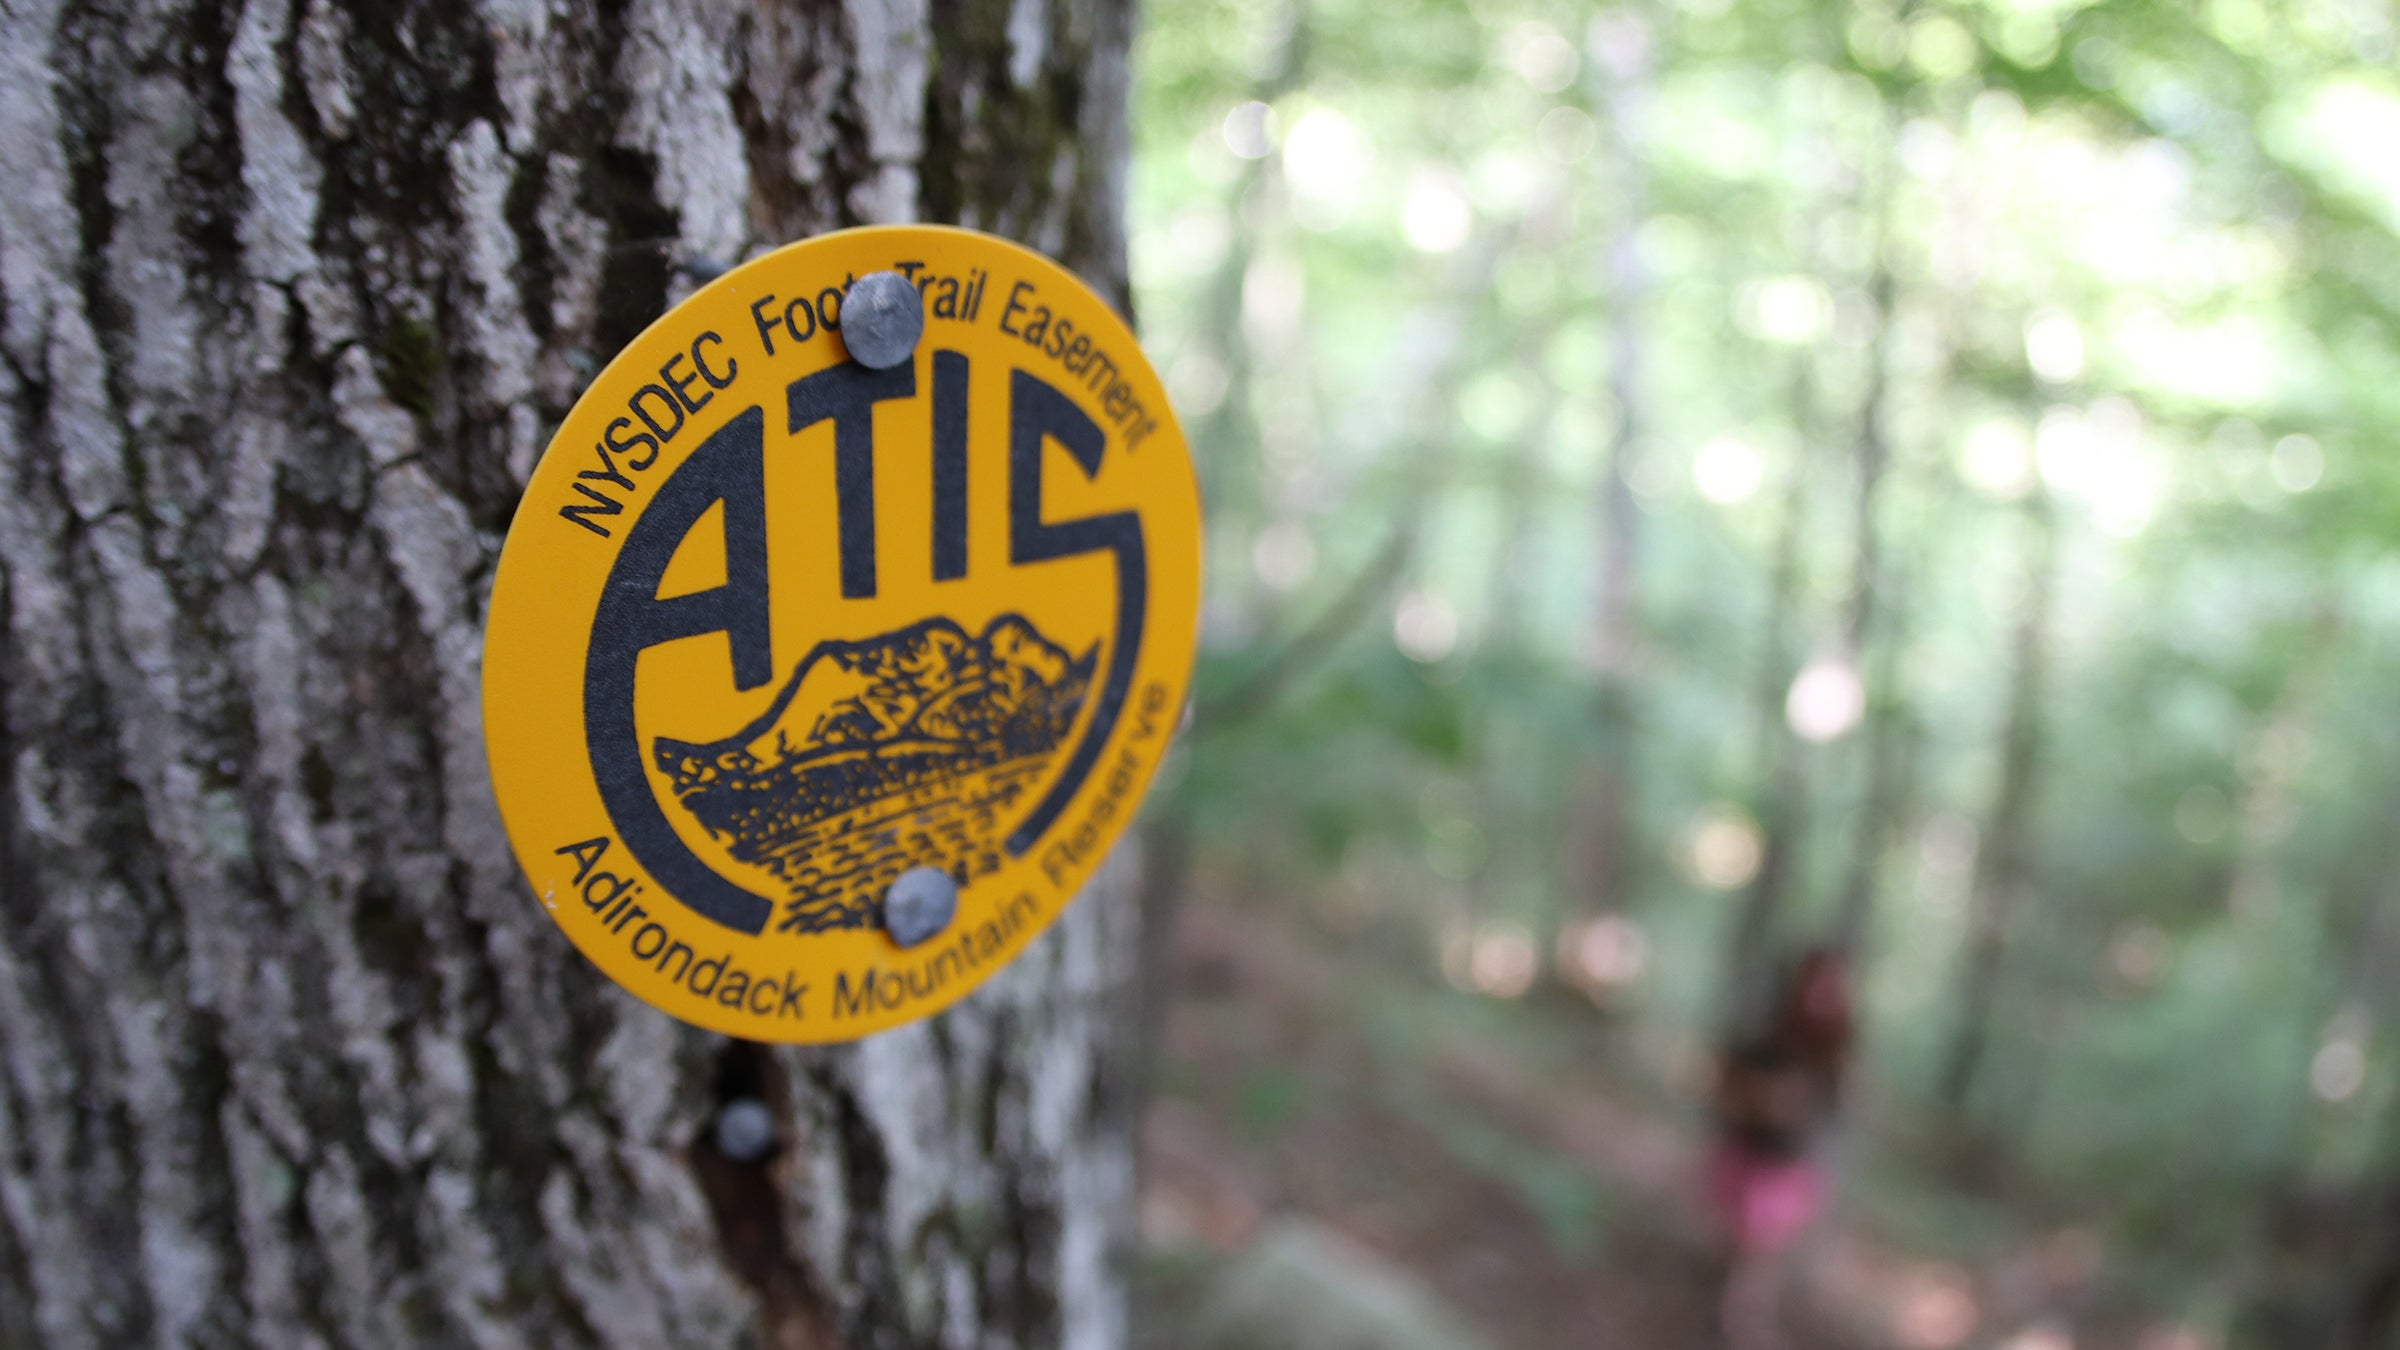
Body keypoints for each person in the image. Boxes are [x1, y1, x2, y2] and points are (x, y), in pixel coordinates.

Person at [1707, 947, 1853, 1349]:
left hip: (1791, 1167)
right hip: (1748, 1158)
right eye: (1813, 983)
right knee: (1742, 1250)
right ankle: (1734, 1318)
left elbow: (1838, 1111)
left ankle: (1739, 1322)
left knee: (1759, 1257)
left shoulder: (1837, 1051)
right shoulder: (1766, 1035)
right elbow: (1726, 1086)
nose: (1818, 996)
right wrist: (1760, 1101)